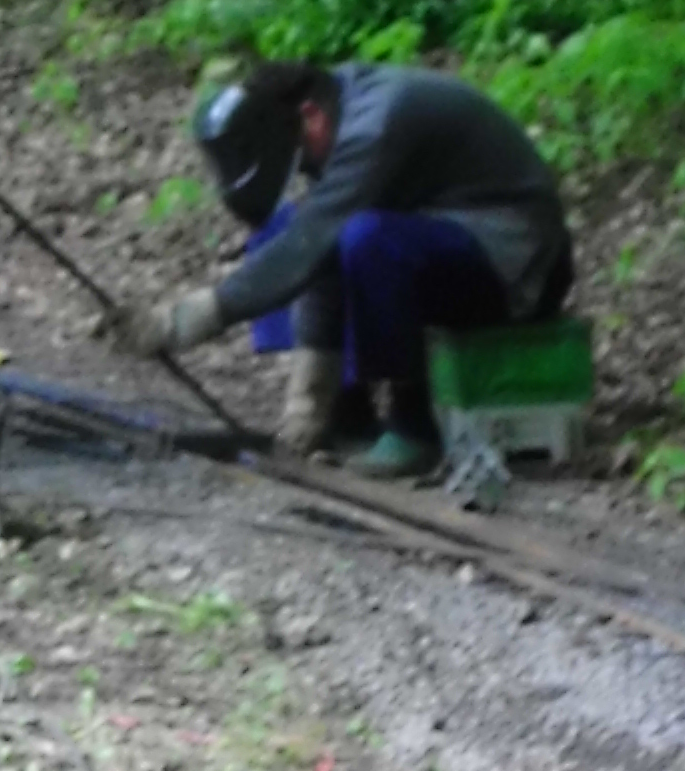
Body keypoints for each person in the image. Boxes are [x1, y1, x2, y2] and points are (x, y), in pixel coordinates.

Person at [119, 59, 573, 477]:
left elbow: (313, 245)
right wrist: (311, 402)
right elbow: (314, 244)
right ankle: (348, 414)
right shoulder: (337, 107)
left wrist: (191, 318)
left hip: (515, 263)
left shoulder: (373, 128)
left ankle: (415, 426)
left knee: (368, 237)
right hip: (446, 238)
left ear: (311, 116)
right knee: (312, 227)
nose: (302, 167)